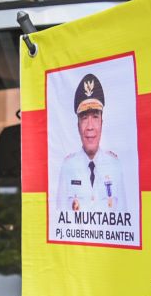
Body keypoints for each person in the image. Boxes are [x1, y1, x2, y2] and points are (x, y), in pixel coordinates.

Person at [54, 72, 128, 215]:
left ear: (102, 123)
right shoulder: (68, 166)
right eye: (84, 118)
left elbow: (124, 218)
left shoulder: (115, 165)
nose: (90, 126)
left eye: (95, 117)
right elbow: (60, 219)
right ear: (77, 125)